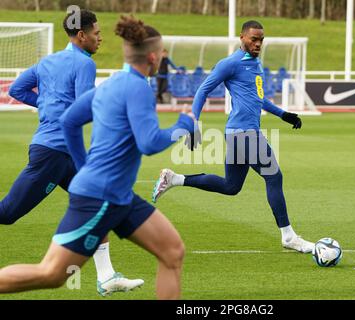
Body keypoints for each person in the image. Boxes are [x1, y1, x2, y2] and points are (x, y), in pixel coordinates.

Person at [0, 15, 195, 299]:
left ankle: (107, 277)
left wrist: (82, 165)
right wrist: (182, 126)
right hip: (101, 194)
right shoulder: (138, 87)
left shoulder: (112, 83)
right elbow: (150, 143)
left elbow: (69, 121)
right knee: (52, 273)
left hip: (119, 195)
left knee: (172, 251)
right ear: (153, 57)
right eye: (162, 53)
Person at [4, 9, 143, 295]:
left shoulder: (48, 61)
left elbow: (17, 89)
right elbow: (83, 107)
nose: (100, 38)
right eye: (97, 33)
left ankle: (106, 277)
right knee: (7, 213)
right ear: (82, 35)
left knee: (100, 202)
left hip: (61, 152)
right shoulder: (84, 63)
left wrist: (45, 104)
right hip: (54, 154)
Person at [152, 20, 314, 253]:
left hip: (239, 134)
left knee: (231, 186)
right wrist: (193, 121)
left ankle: (175, 179)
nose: (258, 44)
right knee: (274, 176)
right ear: (242, 38)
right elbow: (203, 90)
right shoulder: (230, 63)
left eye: (261, 40)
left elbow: (258, 98)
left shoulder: (255, 64)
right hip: (244, 133)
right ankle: (288, 236)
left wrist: (283, 114)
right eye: (253, 39)